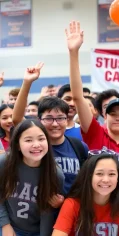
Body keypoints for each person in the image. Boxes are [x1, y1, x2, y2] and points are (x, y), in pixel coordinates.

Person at [66, 21, 119, 190]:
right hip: (93, 202)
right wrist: (73, 52)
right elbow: (77, 96)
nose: (118, 117)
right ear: (104, 116)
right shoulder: (95, 133)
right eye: (113, 113)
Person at [12, 62, 89, 196]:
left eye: (60, 118)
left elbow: (84, 183)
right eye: (49, 118)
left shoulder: (79, 147)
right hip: (39, 212)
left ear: (67, 119)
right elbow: (17, 119)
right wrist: (27, 82)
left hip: (72, 212)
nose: (55, 124)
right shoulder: (35, 146)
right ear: (39, 120)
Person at [0, 119, 64, 236]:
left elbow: (47, 215)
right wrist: (4, 225)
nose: (36, 145)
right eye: (28, 140)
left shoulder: (55, 174)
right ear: (17, 145)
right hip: (12, 228)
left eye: (41, 139)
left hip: (38, 233)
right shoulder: (4, 163)